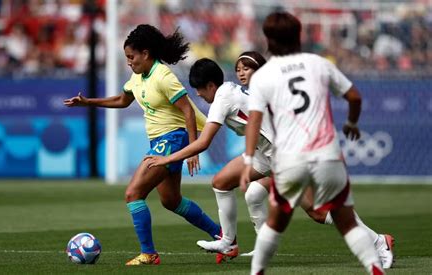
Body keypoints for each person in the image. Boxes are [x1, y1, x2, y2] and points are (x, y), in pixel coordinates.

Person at [239, 11, 385, 275]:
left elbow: (253, 121)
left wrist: (249, 160)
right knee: (348, 223)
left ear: (269, 41)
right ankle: (375, 268)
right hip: (328, 156)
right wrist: (351, 124)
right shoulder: (319, 63)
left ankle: (256, 272)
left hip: (291, 159)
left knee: (274, 224)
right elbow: (354, 97)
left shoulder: (263, 76)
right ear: (298, 37)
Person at [64, 24, 220, 266]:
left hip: (172, 139)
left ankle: (149, 254)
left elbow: (188, 111)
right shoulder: (137, 76)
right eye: (126, 57)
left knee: (133, 193)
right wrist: (88, 102)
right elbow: (121, 99)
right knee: (171, 201)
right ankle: (222, 236)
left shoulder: (163, 76)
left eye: (131, 57)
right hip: (160, 141)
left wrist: (193, 149)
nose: (129, 62)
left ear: (146, 54)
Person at [145, 56, 274, 264]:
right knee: (221, 182)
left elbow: (204, 142)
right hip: (265, 152)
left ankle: (346, 219)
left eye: (200, 89)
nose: (197, 93)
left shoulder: (222, 98)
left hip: (282, 153)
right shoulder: (229, 89)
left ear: (211, 85)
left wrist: (166, 159)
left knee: (316, 212)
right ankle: (229, 242)